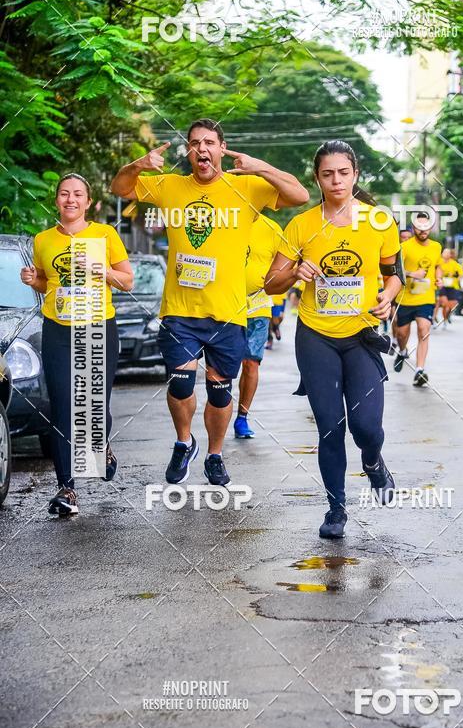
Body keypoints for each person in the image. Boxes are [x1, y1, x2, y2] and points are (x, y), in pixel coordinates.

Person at [111, 119, 308, 486]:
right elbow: (120, 188)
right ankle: (183, 442)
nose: (202, 149)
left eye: (209, 143)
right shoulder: (169, 186)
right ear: (188, 151)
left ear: (221, 148)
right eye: (194, 143)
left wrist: (260, 167)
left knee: (219, 392)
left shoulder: (246, 186)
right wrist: (138, 165)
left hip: (228, 312)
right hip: (180, 310)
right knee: (182, 385)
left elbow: (299, 195)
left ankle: (215, 454)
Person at [265, 140, 401, 539]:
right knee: (330, 427)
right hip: (316, 337)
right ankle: (336, 509)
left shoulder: (380, 222)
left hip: (361, 336)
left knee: (366, 428)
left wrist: (388, 298)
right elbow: (271, 284)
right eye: (328, 174)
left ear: (355, 174)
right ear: (318, 178)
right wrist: (294, 274)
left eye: (343, 172)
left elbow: (395, 275)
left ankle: (374, 462)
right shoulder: (301, 225)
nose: (336, 180)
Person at [20, 173, 133, 515]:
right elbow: (47, 281)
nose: (70, 199)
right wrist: (33, 280)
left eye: (78, 194)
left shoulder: (105, 234)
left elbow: (126, 281)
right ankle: (66, 489)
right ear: (57, 200)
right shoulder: (43, 240)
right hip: (58, 330)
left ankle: (102, 448)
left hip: (98, 326)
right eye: (64, 194)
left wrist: (101, 270)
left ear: (88, 202)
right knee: (62, 408)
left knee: (94, 407)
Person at [234, 214, 283, 438]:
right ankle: (219, 409)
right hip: (225, 304)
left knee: (251, 363)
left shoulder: (272, 228)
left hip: (258, 305)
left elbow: (285, 264)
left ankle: (242, 417)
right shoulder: (225, 219)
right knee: (221, 368)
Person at [391, 213, 442, 386]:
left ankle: (420, 369)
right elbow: (394, 270)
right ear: (414, 229)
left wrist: (439, 278)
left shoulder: (436, 247)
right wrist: (413, 274)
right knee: (402, 333)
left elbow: (438, 265)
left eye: (425, 227)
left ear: (430, 228)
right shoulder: (404, 247)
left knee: (423, 329)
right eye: (419, 228)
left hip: (426, 298)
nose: (423, 231)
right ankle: (403, 350)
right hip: (405, 298)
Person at [436, 248, 463, 325]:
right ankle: (444, 320)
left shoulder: (454, 263)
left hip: (452, 286)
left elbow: (461, 274)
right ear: (442, 254)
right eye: (445, 253)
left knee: (451, 305)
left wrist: (457, 279)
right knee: (444, 304)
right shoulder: (439, 262)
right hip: (442, 286)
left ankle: (447, 317)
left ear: (450, 255)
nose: (446, 254)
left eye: (448, 253)